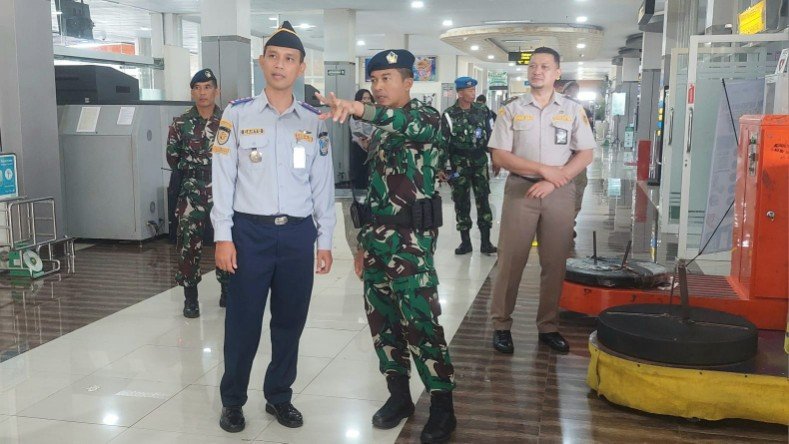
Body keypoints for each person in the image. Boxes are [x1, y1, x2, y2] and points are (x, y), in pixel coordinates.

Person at [316, 49, 457, 444]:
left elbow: (399, 121)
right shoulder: (378, 133)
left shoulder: (425, 118)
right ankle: (399, 396)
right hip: (377, 242)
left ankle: (443, 405)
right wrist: (362, 245)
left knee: (421, 322)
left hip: (411, 244)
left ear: (408, 82)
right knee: (383, 324)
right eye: (374, 80)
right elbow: (375, 194)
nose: (378, 88)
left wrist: (358, 109)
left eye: (387, 79)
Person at [210, 21, 335, 433]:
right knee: (242, 322)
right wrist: (223, 236)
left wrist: (325, 240)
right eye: (273, 57)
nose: (280, 65)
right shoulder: (238, 114)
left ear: (301, 68)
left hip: (298, 235)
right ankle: (233, 401)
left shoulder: (314, 120)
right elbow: (223, 179)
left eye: (289, 59)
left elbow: (323, 184)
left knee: (289, 322)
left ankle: (279, 396)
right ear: (262, 62)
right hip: (250, 234)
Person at [487, 47, 596, 355]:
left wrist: (553, 180)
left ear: (557, 73)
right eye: (533, 66)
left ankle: (548, 326)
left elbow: (585, 153)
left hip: (558, 192)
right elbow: (500, 154)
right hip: (521, 190)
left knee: (554, 262)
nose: (537, 71)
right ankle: (501, 325)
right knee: (511, 260)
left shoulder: (573, 110)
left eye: (545, 66)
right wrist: (540, 171)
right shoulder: (511, 109)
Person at [166, 68, 231, 318]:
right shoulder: (180, 122)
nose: (202, 93)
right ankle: (190, 297)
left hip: (223, 191)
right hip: (192, 190)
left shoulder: (228, 121)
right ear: (192, 92)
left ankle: (227, 289)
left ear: (217, 91)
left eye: (207, 87)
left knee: (225, 240)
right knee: (188, 244)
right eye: (197, 88)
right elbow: (173, 157)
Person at [442, 77, 497, 255]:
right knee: (461, 201)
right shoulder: (449, 114)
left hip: (479, 161)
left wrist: (496, 158)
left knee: (483, 200)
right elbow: (443, 141)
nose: (473, 93)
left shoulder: (483, 111)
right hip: (459, 164)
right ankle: (465, 242)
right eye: (469, 90)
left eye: (474, 90)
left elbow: (491, 135)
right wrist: (440, 167)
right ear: (460, 92)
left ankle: (486, 242)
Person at [561, 81, 592, 244]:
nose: (572, 94)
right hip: (560, 159)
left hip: (577, 158)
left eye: (575, 91)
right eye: (569, 91)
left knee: (578, 191)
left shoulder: (582, 111)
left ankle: (569, 225)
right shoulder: (555, 110)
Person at [349, 88, 375, 190]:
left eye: (368, 98)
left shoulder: (375, 113)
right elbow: (355, 130)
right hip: (359, 148)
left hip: (372, 146)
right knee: (360, 173)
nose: (366, 100)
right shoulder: (355, 114)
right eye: (364, 98)